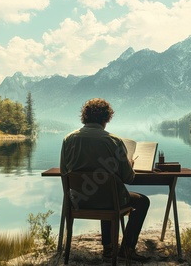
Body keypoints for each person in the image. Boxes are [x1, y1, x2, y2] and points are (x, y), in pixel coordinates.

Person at [59, 98, 150, 262]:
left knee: (104, 192)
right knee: (141, 201)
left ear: (84, 117)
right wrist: (130, 165)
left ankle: (108, 248)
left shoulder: (68, 139)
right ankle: (126, 249)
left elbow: (64, 173)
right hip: (109, 201)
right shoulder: (113, 141)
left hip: (78, 201)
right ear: (106, 118)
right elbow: (129, 178)